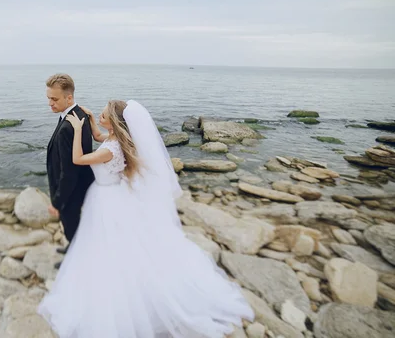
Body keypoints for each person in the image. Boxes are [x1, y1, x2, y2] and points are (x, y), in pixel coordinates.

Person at [38, 99, 254, 338]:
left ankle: (121, 295)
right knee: (115, 246)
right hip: (112, 195)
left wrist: (78, 129)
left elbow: (78, 159)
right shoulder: (115, 139)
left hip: (107, 200)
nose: (99, 116)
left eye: (102, 115)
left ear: (114, 122)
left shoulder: (112, 149)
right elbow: (100, 137)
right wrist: (90, 121)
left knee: (109, 247)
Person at [45, 74, 95, 268]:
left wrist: (57, 201)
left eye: (54, 99)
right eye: (48, 98)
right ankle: (72, 248)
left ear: (69, 98)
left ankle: (75, 262)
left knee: (72, 227)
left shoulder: (69, 126)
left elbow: (70, 171)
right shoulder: (78, 115)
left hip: (71, 191)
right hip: (78, 187)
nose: (50, 103)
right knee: (72, 226)